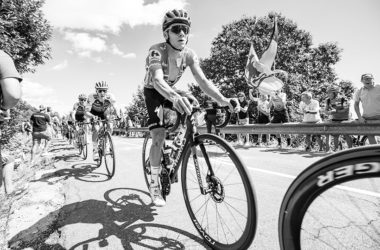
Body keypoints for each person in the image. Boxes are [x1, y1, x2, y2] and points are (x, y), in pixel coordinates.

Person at [143, 9, 233, 206]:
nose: (182, 33)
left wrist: (222, 99)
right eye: (176, 29)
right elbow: (157, 80)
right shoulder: (157, 50)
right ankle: (154, 184)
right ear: (166, 33)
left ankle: (174, 146)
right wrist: (174, 96)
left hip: (171, 90)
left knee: (192, 103)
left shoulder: (189, 54)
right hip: (154, 91)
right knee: (158, 135)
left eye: (185, 29)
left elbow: (203, 81)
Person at [0, 49, 22, 195]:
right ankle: (9, 192)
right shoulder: (2, 56)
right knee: (8, 160)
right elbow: (13, 94)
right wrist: (4, 107)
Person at [85, 81, 120, 161]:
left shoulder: (110, 96)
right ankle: (95, 150)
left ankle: (107, 144)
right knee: (97, 129)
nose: (102, 92)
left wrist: (118, 115)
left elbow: (115, 107)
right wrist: (93, 117)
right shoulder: (91, 97)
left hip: (105, 112)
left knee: (110, 126)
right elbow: (86, 111)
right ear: (96, 91)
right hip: (94, 113)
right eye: (100, 90)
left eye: (104, 90)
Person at [353, 73, 380, 144]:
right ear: (361, 81)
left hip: (379, 117)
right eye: (365, 78)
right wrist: (359, 117)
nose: (367, 80)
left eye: (369, 78)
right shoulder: (359, 91)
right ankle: (376, 153)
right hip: (367, 118)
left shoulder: (379, 87)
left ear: (373, 79)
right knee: (370, 136)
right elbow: (356, 105)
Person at [324, 85, 352, 151]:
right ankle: (336, 149)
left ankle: (351, 149)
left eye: (330, 92)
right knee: (335, 135)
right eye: (327, 92)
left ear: (335, 92)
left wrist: (336, 111)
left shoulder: (343, 99)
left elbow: (345, 109)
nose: (328, 94)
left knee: (346, 134)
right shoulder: (328, 100)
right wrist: (327, 112)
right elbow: (326, 109)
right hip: (335, 119)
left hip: (345, 119)